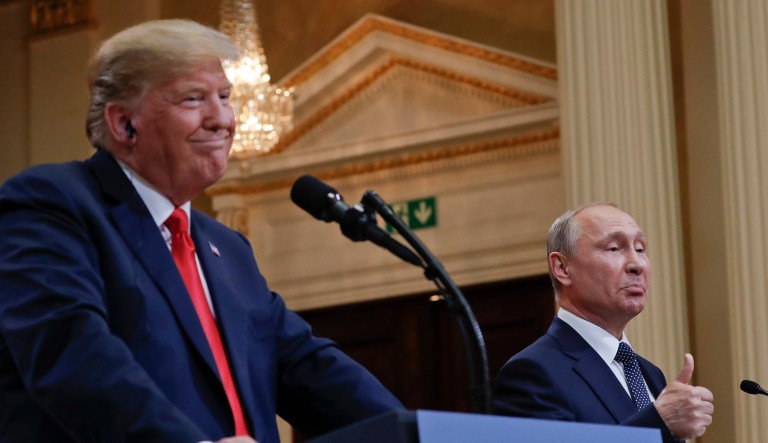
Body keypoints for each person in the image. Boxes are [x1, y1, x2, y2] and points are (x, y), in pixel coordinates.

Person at [0, 19, 403, 443]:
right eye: (193, 99)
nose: (222, 120)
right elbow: (72, 356)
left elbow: (304, 364)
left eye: (225, 97)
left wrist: (417, 432)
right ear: (124, 124)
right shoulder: (51, 204)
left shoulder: (227, 248)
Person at [493, 203, 713, 442]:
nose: (636, 264)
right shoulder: (532, 373)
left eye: (640, 248)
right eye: (614, 248)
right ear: (562, 268)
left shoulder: (650, 374)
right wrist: (658, 422)